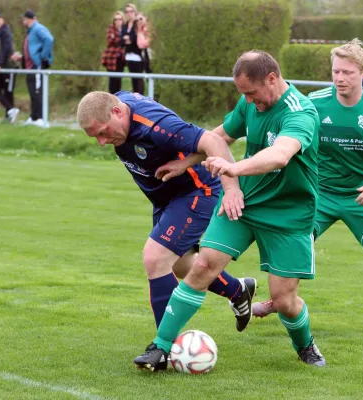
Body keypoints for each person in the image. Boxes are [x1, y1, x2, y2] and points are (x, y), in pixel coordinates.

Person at [133, 50, 326, 372]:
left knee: (284, 301)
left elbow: (279, 155)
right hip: (244, 205)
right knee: (202, 265)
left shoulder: (300, 112)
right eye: (242, 95)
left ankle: (305, 344)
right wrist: (186, 161)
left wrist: (234, 169)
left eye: (251, 93)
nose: (248, 101)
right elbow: (220, 135)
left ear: (272, 79)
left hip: (289, 215)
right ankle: (160, 347)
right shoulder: (250, 102)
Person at [252, 39, 363, 331]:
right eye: (335, 72)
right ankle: (279, 300)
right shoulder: (314, 102)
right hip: (318, 192)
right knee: (294, 246)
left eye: (347, 72)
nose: (339, 78)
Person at [76, 90, 257, 331]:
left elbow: (215, 142)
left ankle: (166, 345)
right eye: (94, 137)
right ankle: (237, 290)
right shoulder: (116, 104)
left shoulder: (158, 126)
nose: (101, 142)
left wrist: (231, 188)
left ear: (117, 112)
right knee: (179, 265)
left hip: (197, 191)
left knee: (155, 258)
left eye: (102, 132)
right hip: (166, 198)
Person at [10, 10, 53, 128]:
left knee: (38, 91)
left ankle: (41, 118)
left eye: (24, 19)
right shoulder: (30, 31)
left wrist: (43, 56)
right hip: (29, 67)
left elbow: (49, 39)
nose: (23, 21)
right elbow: (31, 49)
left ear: (32, 18)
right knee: (32, 92)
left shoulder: (38, 28)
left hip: (37, 65)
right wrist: (22, 58)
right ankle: (34, 117)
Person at [120, 3, 144, 94]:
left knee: (138, 79)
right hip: (128, 56)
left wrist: (129, 39)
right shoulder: (125, 25)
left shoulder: (137, 24)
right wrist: (127, 40)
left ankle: (140, 98)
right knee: (133, 80)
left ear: (135, 12)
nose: (129, 13)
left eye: (131, 11)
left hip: (137, 55)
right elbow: (121, 40)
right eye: (127, 11)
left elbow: (135, 39)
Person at [101, 11, 125, 94]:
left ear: (123, 20)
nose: (118, 21)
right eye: (116, 19)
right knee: (112, 80)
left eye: (119, 19)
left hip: (120, 58)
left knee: (119, 80)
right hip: (111, 58)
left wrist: (118, 39)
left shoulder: (124, 29)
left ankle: (117, 100)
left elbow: (126, 41)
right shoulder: (111, 28)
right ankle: (111, 99)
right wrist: (122, 40)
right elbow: (111, 40)